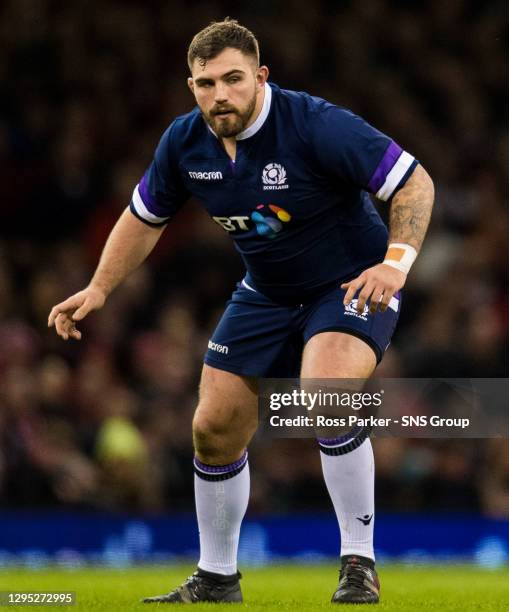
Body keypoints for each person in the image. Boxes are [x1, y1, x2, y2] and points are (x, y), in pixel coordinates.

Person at [48, 18, 434, 605]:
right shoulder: (184, 143)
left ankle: (359, 563)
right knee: (212, 428)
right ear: (191, 86)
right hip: (266, 293)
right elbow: (142, 217)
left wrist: (395, 264)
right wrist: (100, 288)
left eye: (232, 79)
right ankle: (217, 577)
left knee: (326, 393)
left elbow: (414, 183)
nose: (219, 94)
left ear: (260, 77)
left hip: (349, 283)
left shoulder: (313, 124)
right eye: (206, 83)